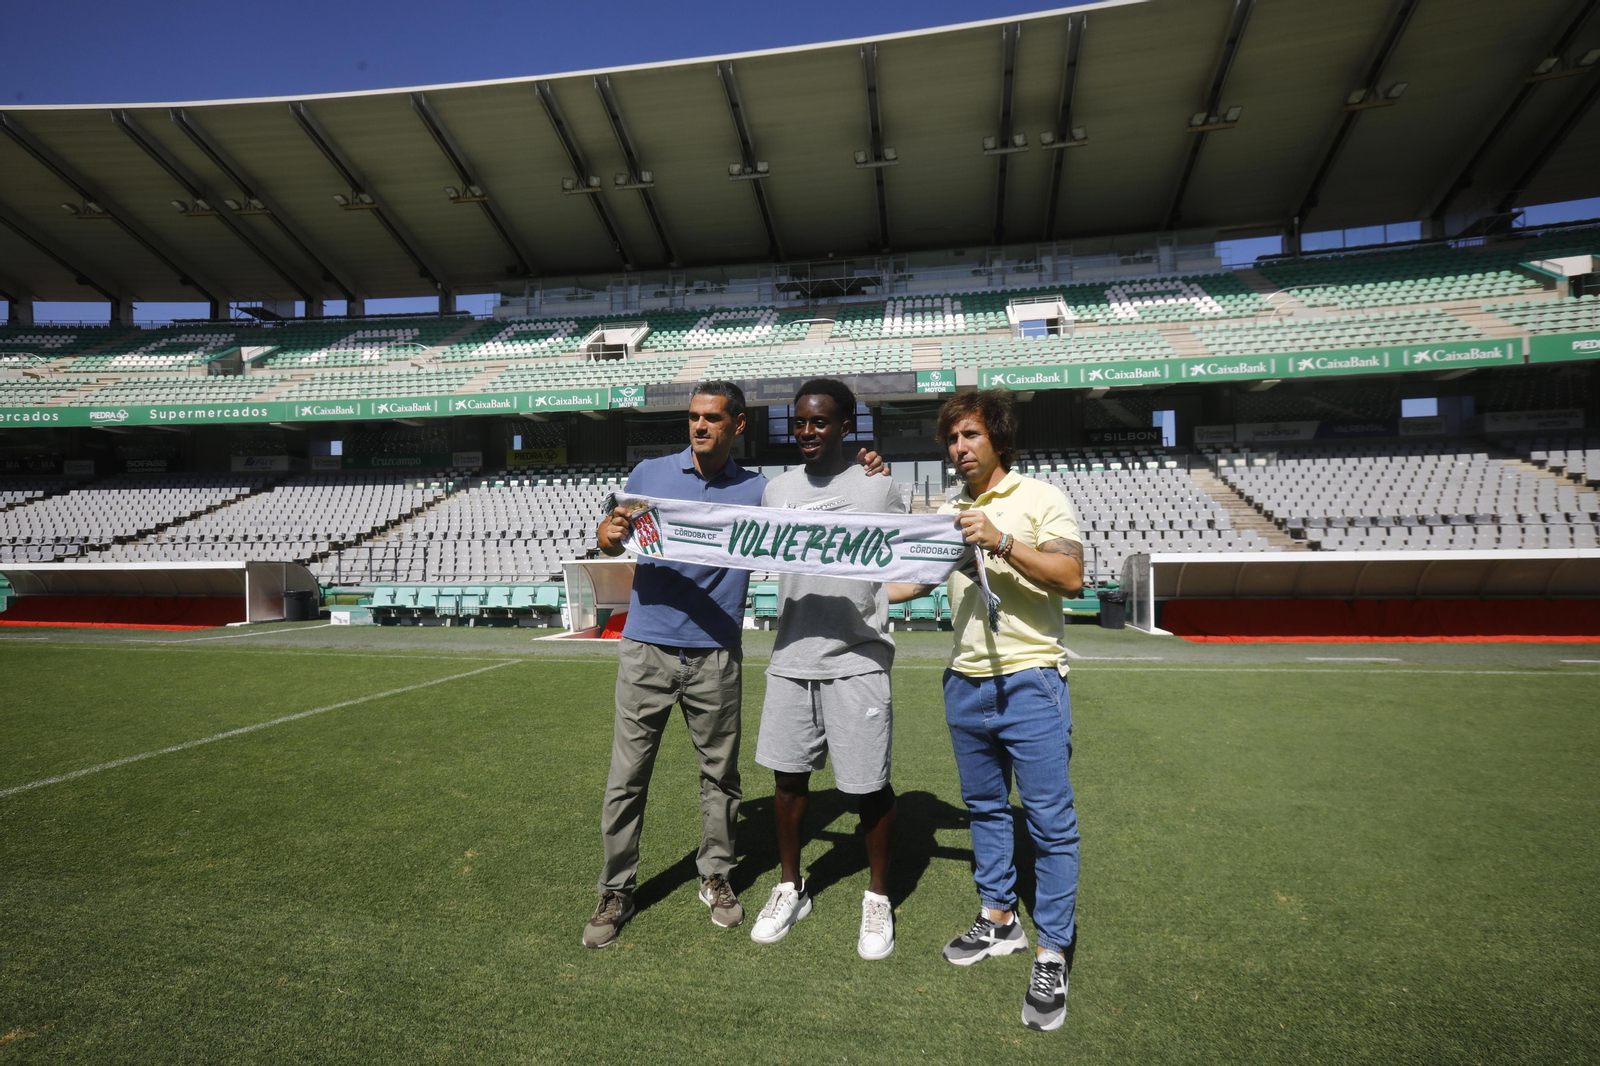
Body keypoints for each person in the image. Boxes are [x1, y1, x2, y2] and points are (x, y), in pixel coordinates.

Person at [584, 381, 889, 949]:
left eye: (713, 418)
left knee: (719, 777)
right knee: (627, 778)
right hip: (646, 648)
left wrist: (869, 462)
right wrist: (606, 535)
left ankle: (717, 876)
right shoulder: (647, 474)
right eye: (694, 417)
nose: (700, 426)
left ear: (738, 426)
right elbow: (611, 536)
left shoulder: (762, 493)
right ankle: (616, 888)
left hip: (717, 655)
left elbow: (825, 500)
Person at [906, 390, 1085, 1030]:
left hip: (1030, 681)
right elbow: (909, 581)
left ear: (997, 438)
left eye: (971, 435)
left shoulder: (1040, 499)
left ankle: (1053, 950)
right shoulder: (950, 512)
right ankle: (1000, 917)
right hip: (965, 680)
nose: (960, 449)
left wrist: (1002, 539)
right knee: (985, 809)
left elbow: (1071, 577)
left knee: (1048, 823)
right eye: (952, 438)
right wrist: (839, 570)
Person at [747, 378, 915, 960]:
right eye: (800, 422)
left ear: (848, 426)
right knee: (788, 779)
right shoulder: (776, 491)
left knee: (869, 783)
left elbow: (914, 558)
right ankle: (791, 886)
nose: (807, 432)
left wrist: (883, 601)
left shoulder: (880, 485)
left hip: (859, 659)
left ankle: (877, 897)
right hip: (791, 655)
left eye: (820, 422)